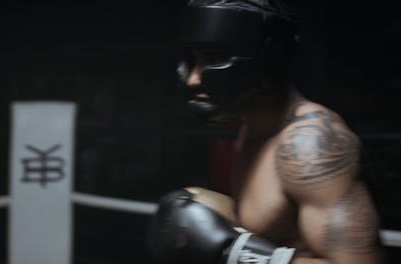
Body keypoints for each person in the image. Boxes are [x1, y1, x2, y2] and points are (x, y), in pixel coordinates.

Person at [147, 0, 385, 263]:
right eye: (192, 61)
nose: (193, 78)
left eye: (212, 59)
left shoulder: (310, 144)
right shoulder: (252, 126)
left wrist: (235, 251)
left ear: (270, 58)